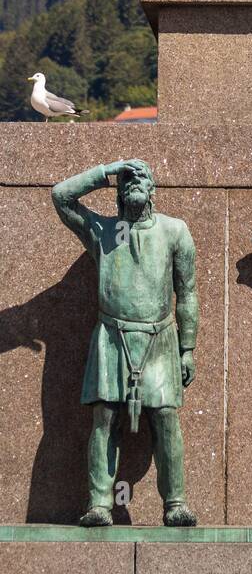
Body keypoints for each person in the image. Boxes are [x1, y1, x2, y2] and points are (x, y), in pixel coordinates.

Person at [51, 160, 198, 527]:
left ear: (154, 189)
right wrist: (107, 170)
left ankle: (176, 502)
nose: (134, 182)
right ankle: (99, 503)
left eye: (141, 177)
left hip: (159, 337)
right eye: (127, 179)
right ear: (117, 189)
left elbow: (188, 293)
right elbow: (61, 196)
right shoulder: (104, 230)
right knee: (105, 417)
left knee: (165, 418)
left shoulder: (174, 231)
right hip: (111, 337)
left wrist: (188, 347)